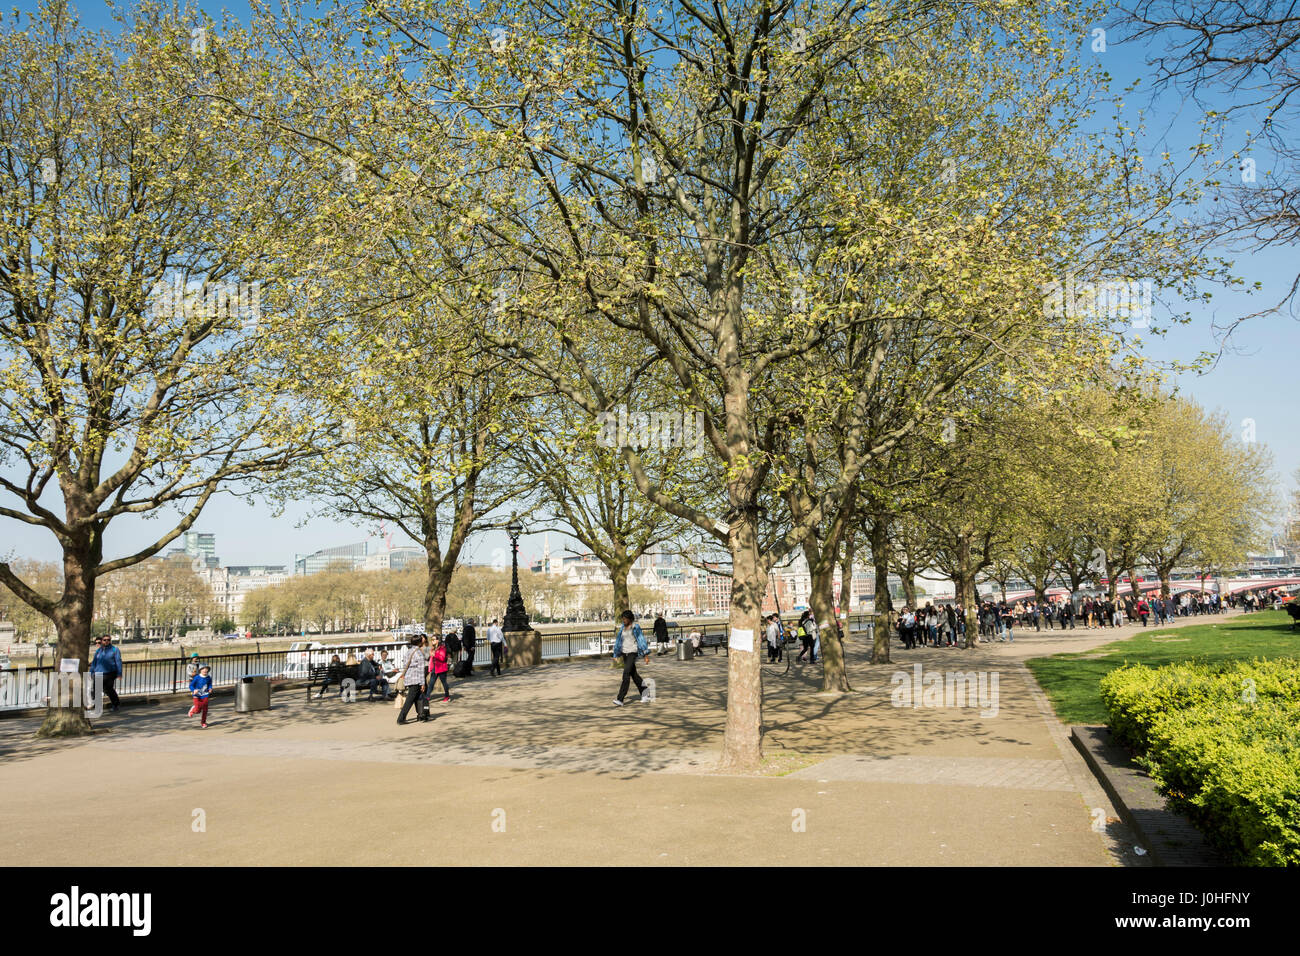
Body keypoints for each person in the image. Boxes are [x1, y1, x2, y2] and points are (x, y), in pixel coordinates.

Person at [611, 609, 650, 706]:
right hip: (624, 653)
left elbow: (641, 640)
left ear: (630, 619)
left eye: (625, 619)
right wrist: (616, 654)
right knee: (634, 675)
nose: (623, 620)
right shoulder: (622, 628)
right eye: (622, 619)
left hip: (633, 652)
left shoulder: (635, 627)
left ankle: (620, 699)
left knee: (626, 674)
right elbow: (618, 641)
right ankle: (645, 693)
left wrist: (645, 655)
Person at [397, 637, 427, 725]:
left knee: (417, 697)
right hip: (416, 678)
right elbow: (421, 670)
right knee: (410, 699)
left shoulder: (408, 651)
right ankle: (401, 718)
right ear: (419, 643)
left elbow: (405, 665)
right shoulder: (419, 653)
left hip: (409, 677)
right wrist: (423, 683)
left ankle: (421, 715)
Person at [90, 634, 122, 712]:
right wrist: (91, 672)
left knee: (109, 690)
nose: (106, 641)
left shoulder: (115, 649)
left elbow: (118, 662)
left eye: (108, 640)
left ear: (110, 641)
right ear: (102, 641)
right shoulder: (99, 650)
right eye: (104, 640)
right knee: (95, 690)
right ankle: (97, 707)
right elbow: (94, 662)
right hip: (98, 673)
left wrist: (119, 673)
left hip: (110, 673)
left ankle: (116, 704)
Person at [427, 636, 451, 703]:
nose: (432, 641)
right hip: (435, 667)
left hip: (441, 668)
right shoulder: (433, 648)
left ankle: (447, 695)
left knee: (444, 683)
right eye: (431, 639)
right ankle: (427, 697)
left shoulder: (442, 648)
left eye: (433, 639)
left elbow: (442, 658)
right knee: (431, 683)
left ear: (438, 640)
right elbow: (431, 658)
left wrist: (434, 655)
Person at [188, 664, 213, 728]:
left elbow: (210, 684)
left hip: (205, 695)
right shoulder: (197, 677)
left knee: (205, 709)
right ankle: (193, 710)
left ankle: (203, 722)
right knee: (197, 710)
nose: (205, 670)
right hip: (197, 695)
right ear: (200, 670)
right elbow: (191, 685)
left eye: (206, 669)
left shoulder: (208, 677)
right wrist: (194, 690)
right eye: (203, 669)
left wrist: (210, 688)